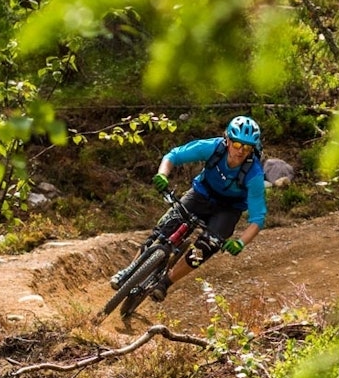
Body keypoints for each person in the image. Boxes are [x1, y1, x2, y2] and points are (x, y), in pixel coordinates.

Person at [110, 115, 267, 301]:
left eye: (247, 147)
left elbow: (258, 218)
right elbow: (173, 156)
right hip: (202, 194)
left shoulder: (254, 175)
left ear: (252, 149)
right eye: (237, 144)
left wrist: (240, 243)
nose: (240, 151)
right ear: (228, 140)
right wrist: (162, 175)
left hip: (228, 209)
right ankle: (130, 270)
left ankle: (165, 283)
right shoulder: (213, 148)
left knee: (206, 246)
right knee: (164, 228)